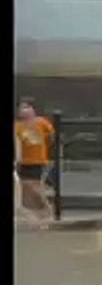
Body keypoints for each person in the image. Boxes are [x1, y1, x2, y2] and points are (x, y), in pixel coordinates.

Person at [15, 97, 55, 228]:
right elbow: (18, 143)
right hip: (24, 161)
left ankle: (47, 210)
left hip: (38, 160)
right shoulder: (17, 126)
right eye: (21, 108)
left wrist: (48, 153)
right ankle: (35, 214)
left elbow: (51, 137)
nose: (24, 111)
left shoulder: (41, 122)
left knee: (34, 185)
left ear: (33, 109)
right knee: (26, 186)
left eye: (27, 107)